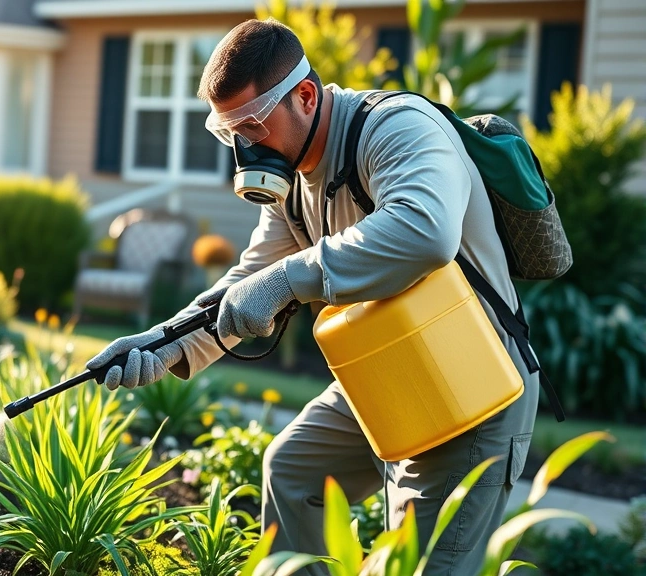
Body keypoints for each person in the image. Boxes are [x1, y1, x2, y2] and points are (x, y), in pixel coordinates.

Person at [87, 18, 538, 575]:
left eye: (251, 125)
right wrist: (162, 345)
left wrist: (287, 281)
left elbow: (425, 231)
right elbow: (251, 277)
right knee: (295, 471)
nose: (244, 148)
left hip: (473, 380)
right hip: (390, 371)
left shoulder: (397, 126)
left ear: (304, 96)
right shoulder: (292, 184)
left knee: (424, 565)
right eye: (230, 133)